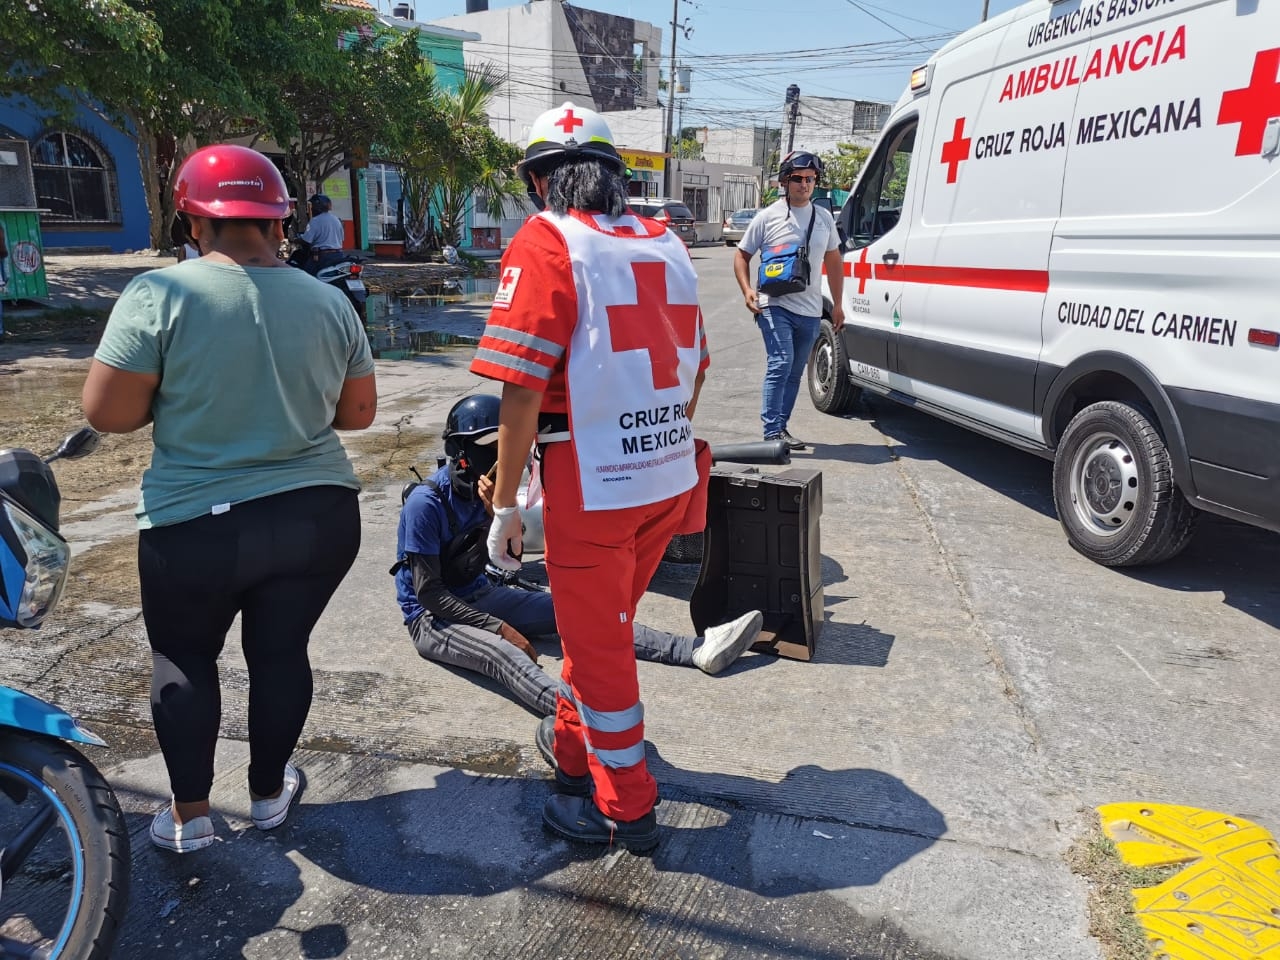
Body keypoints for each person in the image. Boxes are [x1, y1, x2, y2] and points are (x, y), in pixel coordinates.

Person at [81, 143, 378, 854]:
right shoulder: (330, 300)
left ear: (192, 224)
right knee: (280, 654)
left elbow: (107, 413)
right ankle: (270, 795)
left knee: (185, 660)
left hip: (196, 529)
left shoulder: (161, 294)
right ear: (281, 225)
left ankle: (189, 819)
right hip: (317, 515)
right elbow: (358, 413)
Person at [470, 102, 710, 854]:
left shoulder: (547, 240)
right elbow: (698, 365)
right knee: (595, 629)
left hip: (594, 485)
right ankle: (572, 752)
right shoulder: (666, 240)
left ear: (541, 183)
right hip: (668, 477)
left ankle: (625, 810)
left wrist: (506, 502)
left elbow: (520, 387)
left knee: (602, 653)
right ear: (613, 179)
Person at [393, 394, 763, 719]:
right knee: (503, 653)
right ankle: (576, 718)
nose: (499, 465)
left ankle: (695, 649)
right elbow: (430, 593)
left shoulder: (491, 498)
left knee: (580, 615)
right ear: (461, 456)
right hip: (431, 618)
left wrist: (497, 516)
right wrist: (498, 628)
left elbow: (512, 559)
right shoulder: (427, 504)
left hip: (479, 593)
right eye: (490, 454)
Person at [733, 150, 845, 450]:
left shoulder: (823, 218)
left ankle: (781, 428)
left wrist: (838, 304)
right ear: (785, 181)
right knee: (780, 363)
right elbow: (742, 255)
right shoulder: (767, 216)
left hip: (810, 310)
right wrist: (747, 290)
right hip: (774, 305)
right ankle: (771, 433)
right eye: (797, 179)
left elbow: (834, 262)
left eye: (810, 179)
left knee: (795, 372)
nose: (804, 185)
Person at [297, 193, 345, 274]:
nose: (311, 209)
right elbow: (342, 238)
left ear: (317, 207)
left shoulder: (315, 221)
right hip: (339, 255)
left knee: (306, 275)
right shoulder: (336, 219)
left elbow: (306, 240)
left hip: (322, 257)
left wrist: (296, 240)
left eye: (312, 206)